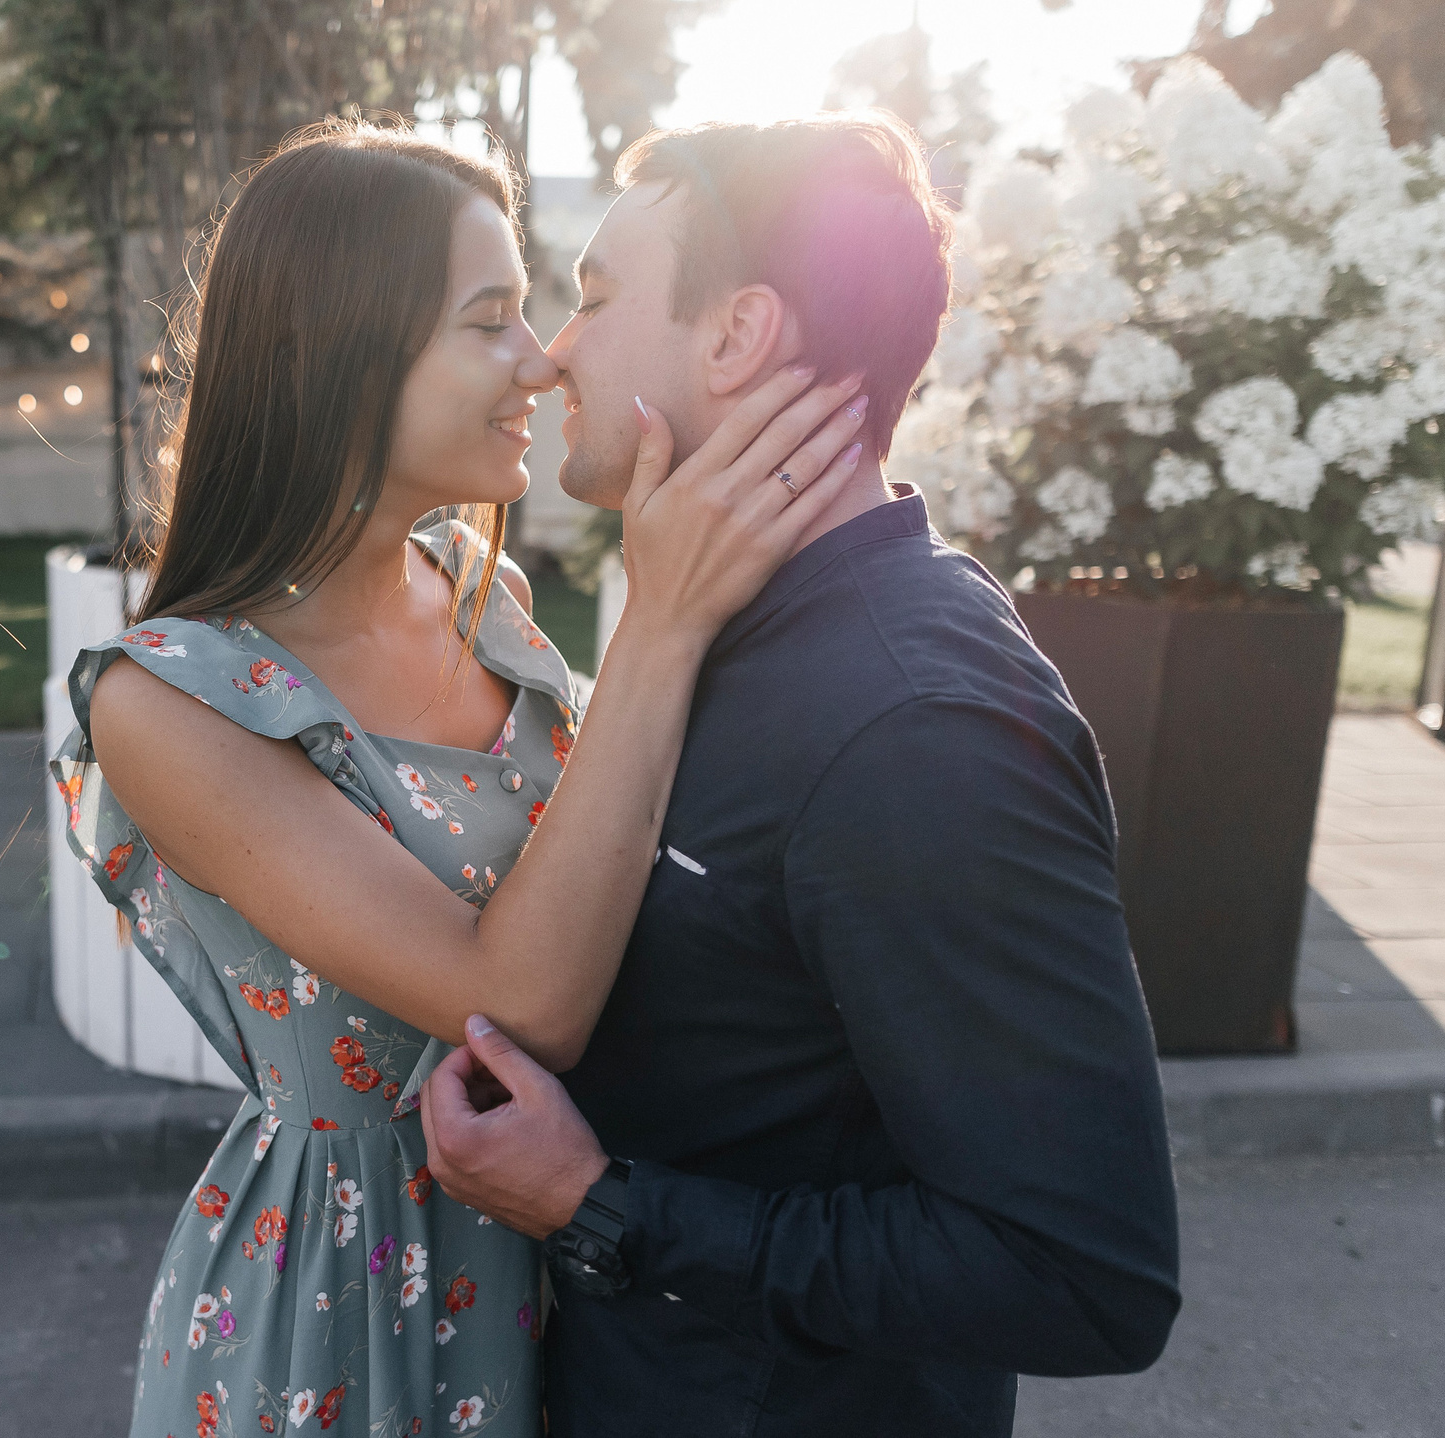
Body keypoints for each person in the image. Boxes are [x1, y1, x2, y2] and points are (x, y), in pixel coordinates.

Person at [54, 119, 864, 1438]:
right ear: (336, 356)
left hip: (588, 1255)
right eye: (491, 320)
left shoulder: (488, 597)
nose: (542, 361)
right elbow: (515, 1003)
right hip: (353, 1319)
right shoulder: (170, 702)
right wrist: (659, 622)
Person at [416, 114, 1183, 1436]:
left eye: (595, 298)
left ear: (739, 333)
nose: (552, 354)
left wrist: (603, 1205)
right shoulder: (703, 619)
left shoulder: (915, 728)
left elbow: (1087, 1272)